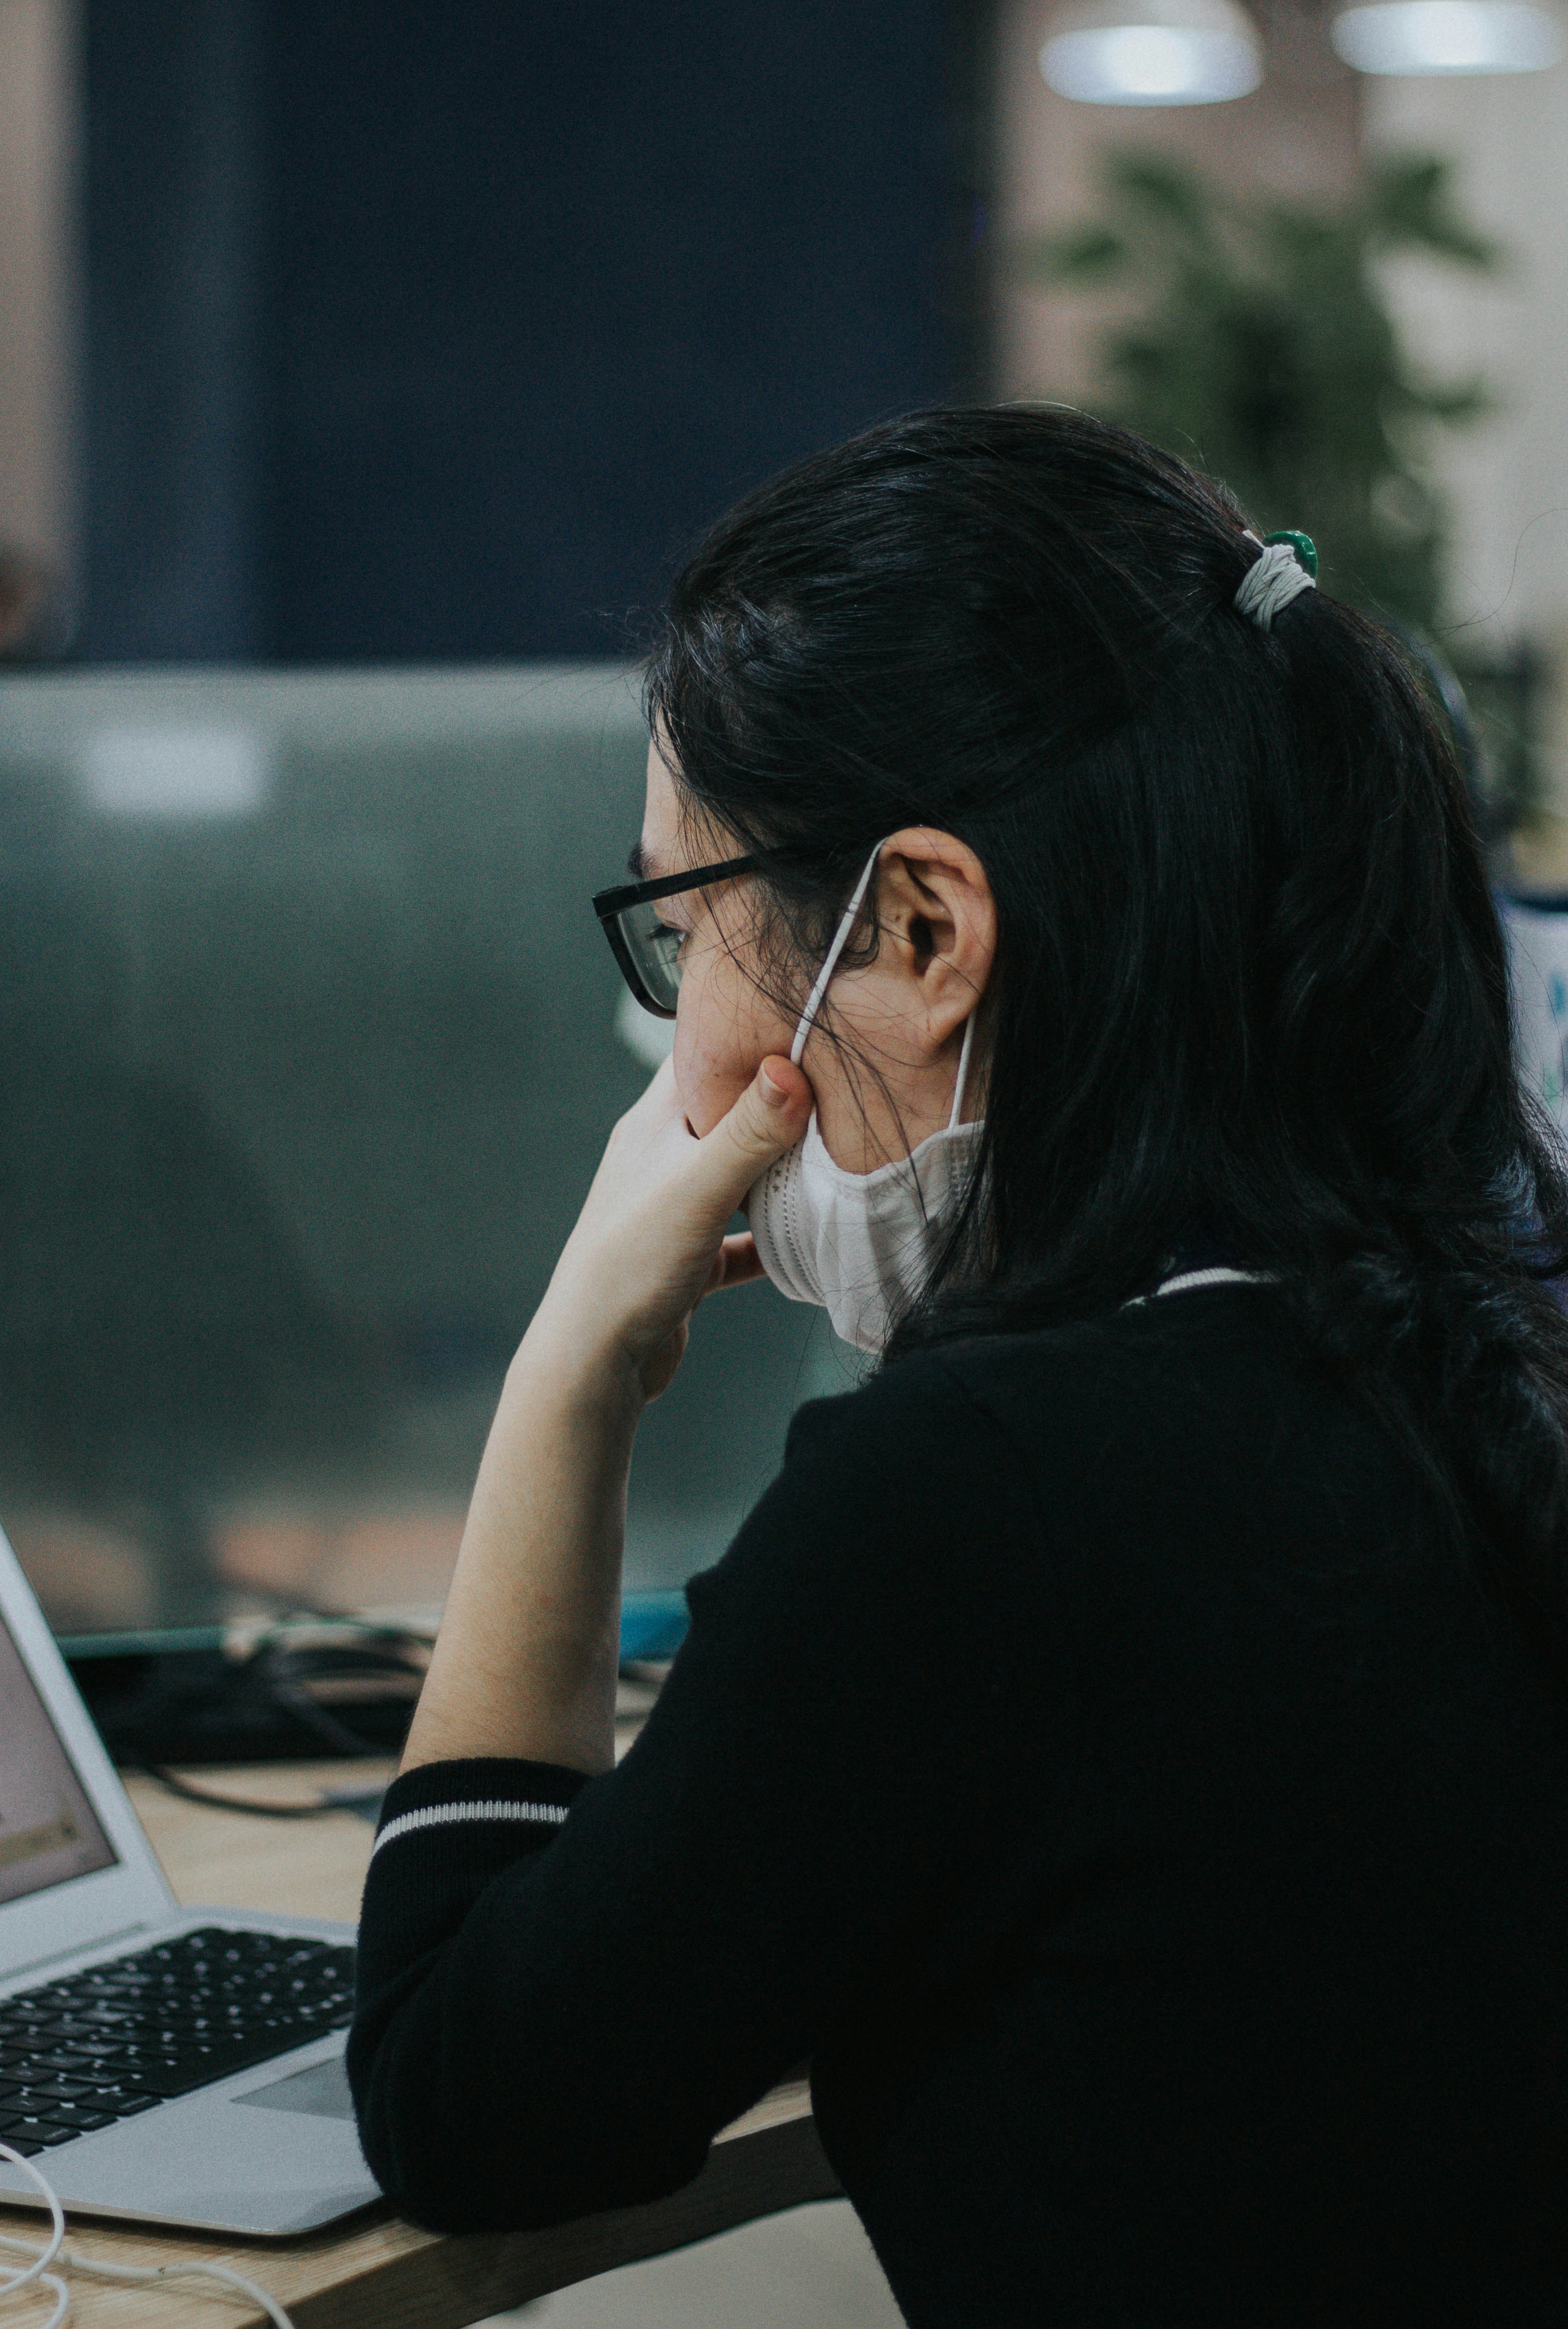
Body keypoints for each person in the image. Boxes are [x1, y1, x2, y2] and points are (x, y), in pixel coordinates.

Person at [347, 407, 1568, 2324]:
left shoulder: (999, 1495)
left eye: (682, 930)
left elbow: (468, 2105)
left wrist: (567, 1367)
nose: (665, 1038)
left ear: (921, 929)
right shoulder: (1491, 1347)